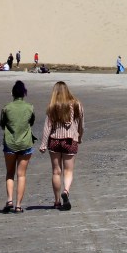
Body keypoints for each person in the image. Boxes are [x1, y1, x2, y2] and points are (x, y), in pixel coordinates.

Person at [39, 81, 84, 211]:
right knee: (68, 171)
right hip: (70, 141)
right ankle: (66, 191)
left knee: (56, 172)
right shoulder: (77, 105)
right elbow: (81, 124)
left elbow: (47, 126)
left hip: (54, 141)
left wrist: (43, 144)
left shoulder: (52, 106)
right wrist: (79, 136)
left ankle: (57, 201)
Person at [0, 80, 35, 213]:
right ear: (24, 93)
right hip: (25, 143)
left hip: (10, 143)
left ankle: (9, 200)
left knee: (10, 173)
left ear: (13, 93)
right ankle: (18, 205)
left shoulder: (6, 107)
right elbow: (31, 122)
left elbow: (2, 124)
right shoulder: (29, 107)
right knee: (21, 175)